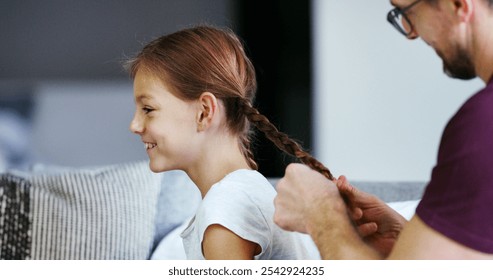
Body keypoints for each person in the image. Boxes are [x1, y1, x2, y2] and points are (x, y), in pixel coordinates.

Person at [273, 0, 493, 259]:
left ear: (457, 5)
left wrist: (321, 214)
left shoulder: (482, 125)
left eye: (406, 12)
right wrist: (406, 237)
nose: (411, 33)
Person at [127, 25, 325, 260]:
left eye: (148, 109)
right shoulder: (239, 193)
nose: (135, 125)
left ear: (204, 112)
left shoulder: (227, 207)